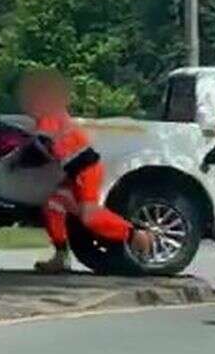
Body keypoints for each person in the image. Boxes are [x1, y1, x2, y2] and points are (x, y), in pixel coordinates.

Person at [17, 69, 153, 273]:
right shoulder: (48, 114)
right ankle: (61, 256)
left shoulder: (50, 113)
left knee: (89, 216)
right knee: (53, 205)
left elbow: (42, 144)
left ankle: (135, 234)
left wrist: (18, 162)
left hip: (85, 171)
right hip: (75, 173)